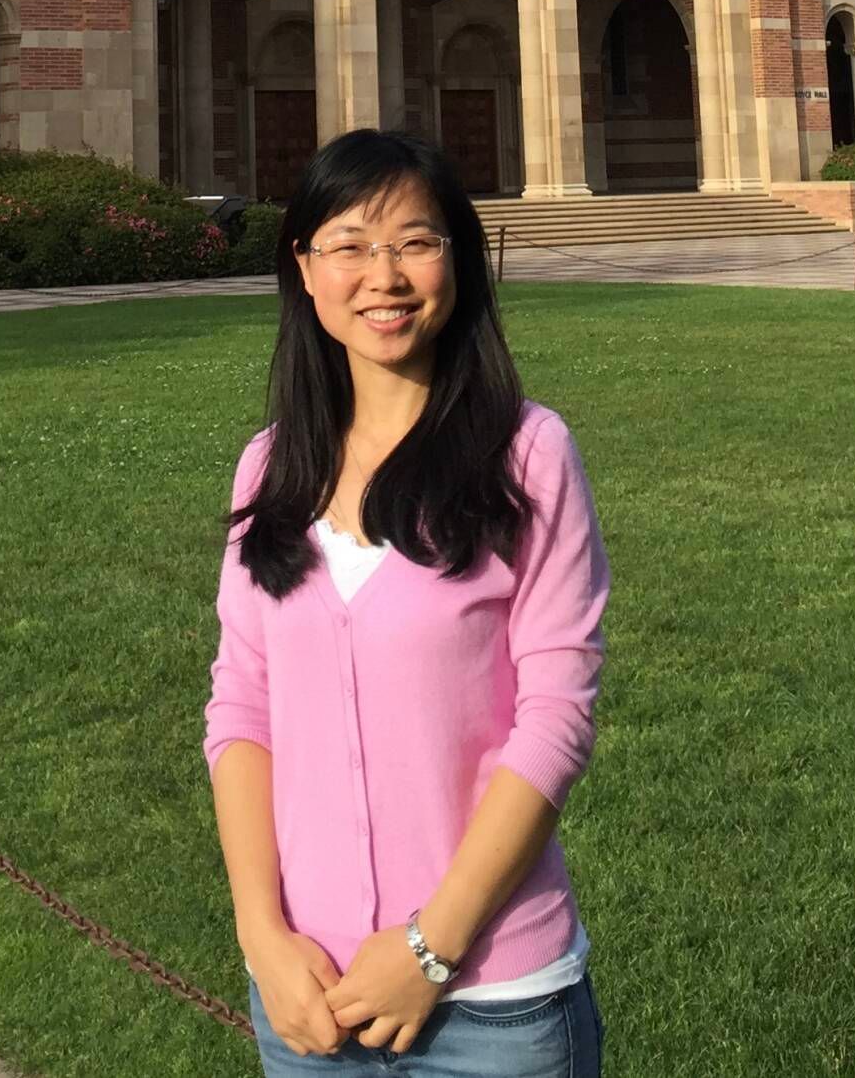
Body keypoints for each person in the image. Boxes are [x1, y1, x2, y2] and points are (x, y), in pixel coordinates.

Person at [202, 128, 610, 1076]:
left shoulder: (527, 455)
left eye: (415, 242)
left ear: (457, 259)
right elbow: (242, 709)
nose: (383, 276)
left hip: (492, 1008)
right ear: (304, 269)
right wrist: (261, 934)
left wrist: (431, 948)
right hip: (308, 1001)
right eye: (349, 245)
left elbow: (556, 717)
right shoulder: (270, 468)